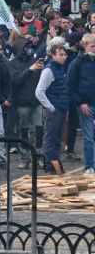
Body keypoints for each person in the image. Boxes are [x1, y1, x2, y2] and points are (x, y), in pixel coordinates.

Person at [36, 43, 71, 174]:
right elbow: (39, 91)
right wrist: (50, 107)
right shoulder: (49, 70)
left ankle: (56, 164)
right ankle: (50, 165)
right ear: (53, 55)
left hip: (61, 109)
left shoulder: (60, 68)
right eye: (60, 54)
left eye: (65, 54)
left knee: (57, 139)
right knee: (50, 138)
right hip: (54, 110)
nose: (64, 57)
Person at [67, 33, 95, 175]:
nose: (94, 48)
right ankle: (90, 166)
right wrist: (80, 103)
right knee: (89, 137)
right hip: (86, 105)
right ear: (85, 46)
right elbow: (70, 86)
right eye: (92, 46)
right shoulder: (76, 63)